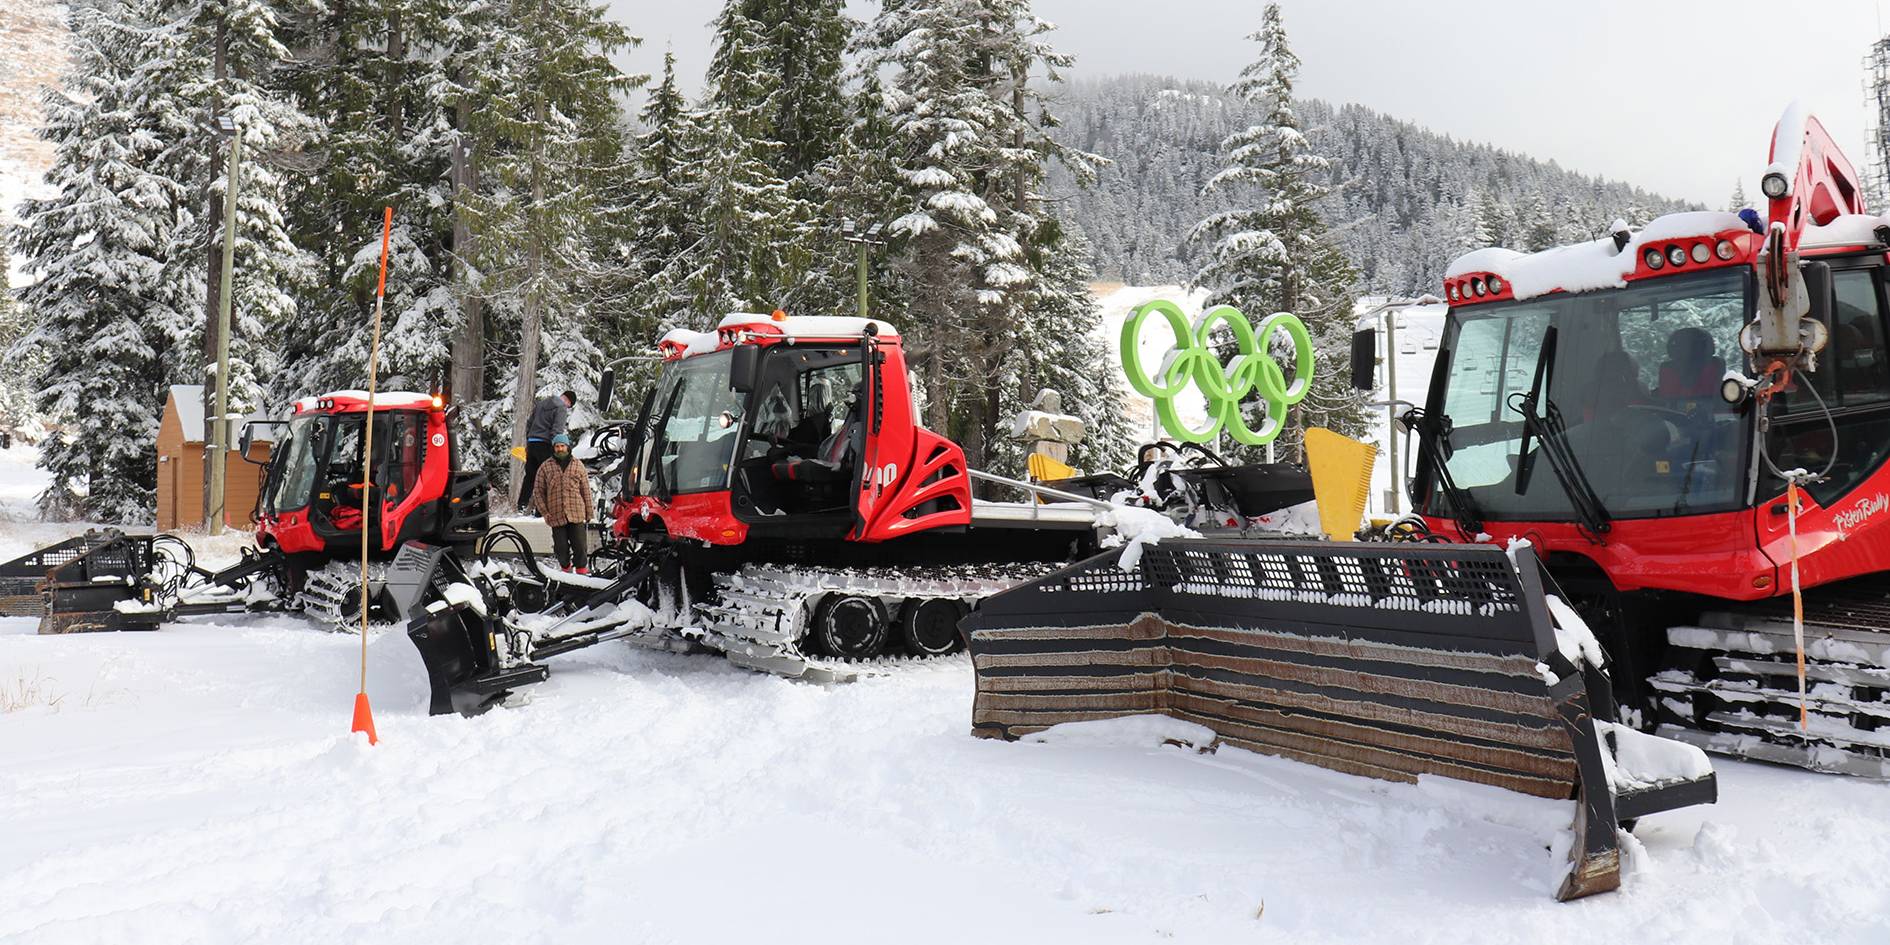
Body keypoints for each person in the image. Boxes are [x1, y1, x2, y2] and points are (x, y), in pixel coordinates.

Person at [531, 433, 594, 573]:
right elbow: (538, 492)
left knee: (580, 546)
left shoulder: (578, 465)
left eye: (562, 446)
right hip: (556, 514)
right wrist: (545, 512)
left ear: (568, 447)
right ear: (553, 448)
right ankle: (566, 570)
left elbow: (585, 490)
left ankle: (582, 572)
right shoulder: (545, 467)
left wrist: (589, 512)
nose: (560, 449)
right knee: (560, 547)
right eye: (557, 446)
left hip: (576, 512)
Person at [519, 388, 576, 511]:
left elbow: (529, 423)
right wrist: (557, 448)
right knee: (547, 477)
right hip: (545, 444)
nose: (567, 408)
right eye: (569, 406)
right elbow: (557, 430)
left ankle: (522, 505)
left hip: (532, 442)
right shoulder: (561, 408)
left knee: (530, 476)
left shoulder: (541, 404)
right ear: (568, 401)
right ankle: (541, 510)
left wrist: (529, 439)